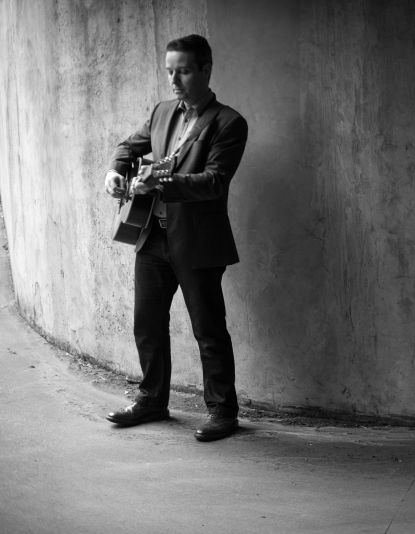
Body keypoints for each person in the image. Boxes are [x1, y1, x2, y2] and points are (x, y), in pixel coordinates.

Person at [103, 34, 248, 441]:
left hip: (197, 242)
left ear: (205, 69)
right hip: (153, 237)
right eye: (169, 71)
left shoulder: (229, 122)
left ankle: (223, 411)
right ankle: (152, 399)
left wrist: (161, 185)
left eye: (183, 71)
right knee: (146, 323)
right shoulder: (162, 111)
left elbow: (214, 182)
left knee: (208, 329)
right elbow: (128, 146)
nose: (174, 80)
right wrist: (115, 171)